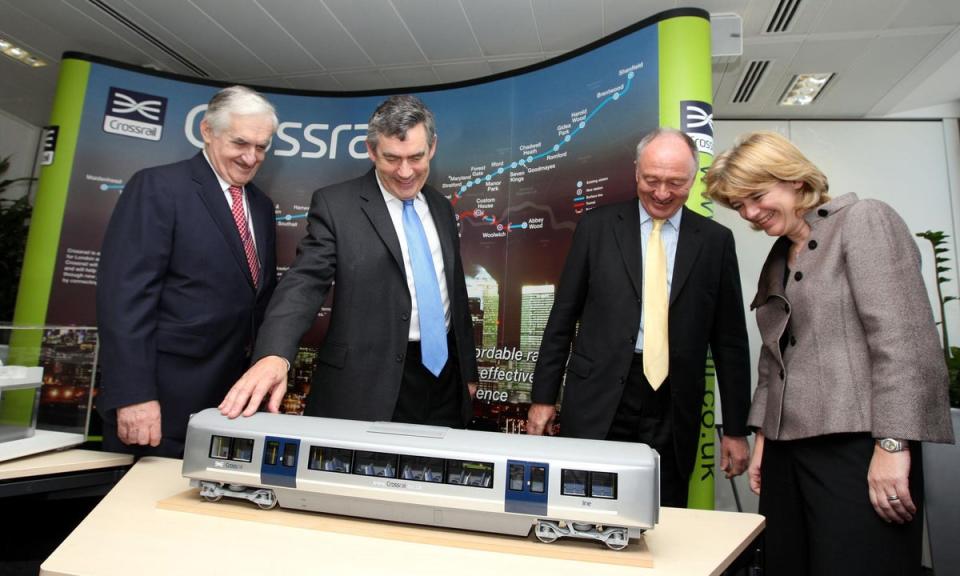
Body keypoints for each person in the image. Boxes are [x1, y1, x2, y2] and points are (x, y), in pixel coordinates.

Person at [704, 131, 954, 576]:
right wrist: (763, 436)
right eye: (739, 205)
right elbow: (773, 359)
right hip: (786, 451)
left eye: (756, 197)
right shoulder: (780, 254)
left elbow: (903, 342)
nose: (750, 213)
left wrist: (893, 445)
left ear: (795, 181)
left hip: (857, 448)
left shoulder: (864, 220)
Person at [219, 94, 478, 427]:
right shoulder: (336, 205)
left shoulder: (441, 207)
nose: (405, 172)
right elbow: (304, 283)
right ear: (371, 151)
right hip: (368, 385)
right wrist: (274, 354)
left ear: (432, 148)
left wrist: (466, 372)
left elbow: (453, 293)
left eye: (416, 157)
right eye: (391, 158)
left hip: (444, 382)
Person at [527, 128, 752, 507]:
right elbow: (562, 318)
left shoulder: (715, 242)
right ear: (636, 172)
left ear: (694, 178)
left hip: (673, 401)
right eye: (652, 180)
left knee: (663, 511)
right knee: (585, 502)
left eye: (676, 183)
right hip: (599, 395)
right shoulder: (596, 228)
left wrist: (734, 429)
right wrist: (543, 398)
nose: (662, 193)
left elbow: (730, 341)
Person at [96, 85, 279, 458]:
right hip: (161, 405)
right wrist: (134, 395)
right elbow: (125, 299)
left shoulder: (261, 205)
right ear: (208, 131)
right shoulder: (158, 187)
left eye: (261, 147)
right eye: (240, 143)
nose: (250, 157)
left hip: (230, 407)